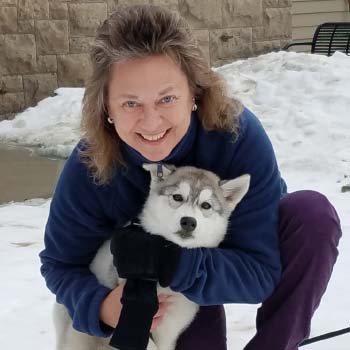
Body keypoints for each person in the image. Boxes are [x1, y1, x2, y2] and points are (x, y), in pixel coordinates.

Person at [39, 5, 342, 350]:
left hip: (212, 260)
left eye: (167, 98)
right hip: (145, 286)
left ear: (194, 94)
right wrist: (102, 307)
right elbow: (61, 265)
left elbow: (260, 273)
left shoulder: (236, 138)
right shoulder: (90, 165)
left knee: (312, 215)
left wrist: (178, 262)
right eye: (130, 103)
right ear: (106, 107)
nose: (151, 122)